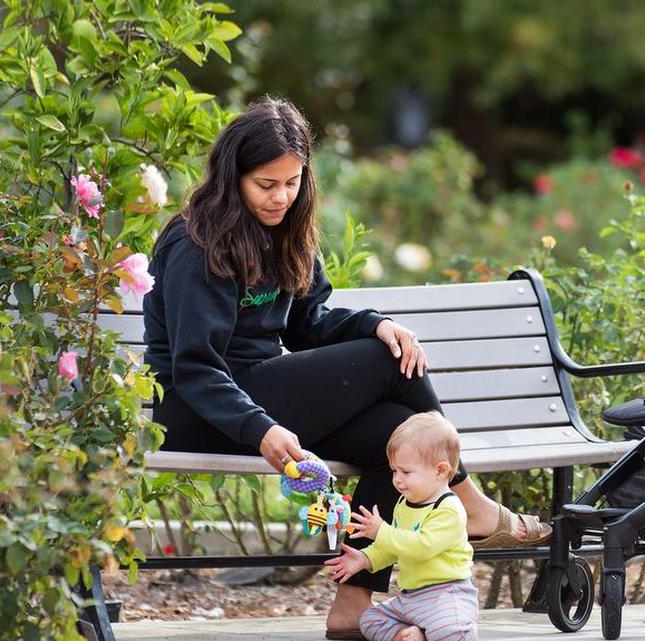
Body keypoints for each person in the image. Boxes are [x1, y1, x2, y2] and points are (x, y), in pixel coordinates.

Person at [142, 96, 550, 639]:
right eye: (267, 184)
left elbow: (309, 323)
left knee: (395, 441)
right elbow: (195, 368)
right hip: (202, 411)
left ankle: (353, 603)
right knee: (387, 365)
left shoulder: (287, 230)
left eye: (292, 183)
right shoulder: (196, 243)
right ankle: (469, 501)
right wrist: (260, 428)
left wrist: (376, 323)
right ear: (232, 175)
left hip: (262, 397)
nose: (281, 197)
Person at [326, 412, 477, 641]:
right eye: (394, 470)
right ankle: (412, 634)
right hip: (411, 598)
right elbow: (393, 547)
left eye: (406, 472)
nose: (397, 479)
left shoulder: (449, 509)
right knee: (368, 620)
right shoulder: (404, 503)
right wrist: (364, 558)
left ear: (440, 471)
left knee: (450, 631)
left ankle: (446, 631)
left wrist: (381, 531)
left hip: (446, 595)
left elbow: (421, 547)